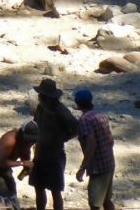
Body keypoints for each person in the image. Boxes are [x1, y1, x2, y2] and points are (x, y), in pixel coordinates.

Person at [30, 78, 79, 210]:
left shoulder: (60, 111)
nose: (39, 97)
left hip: (55, 156)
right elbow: (35, 124)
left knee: (55, 190)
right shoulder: (41, 108)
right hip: (40, 153)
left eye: (41, 95)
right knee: (38, 187)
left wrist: (64, 138)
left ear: (47, 97)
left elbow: (76, 127)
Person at [74, 89, 116, 210]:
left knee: (95, 204)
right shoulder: (101, 115)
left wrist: (82, 168)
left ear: (77, 103)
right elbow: (110, 140)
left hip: (98, 167)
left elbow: (91, 145)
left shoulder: (85, 120)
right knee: (107, 200)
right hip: (109, 162)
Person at [0, 119, 37, 198]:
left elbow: (26, 159)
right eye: (28, 139)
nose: (30, 142)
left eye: (32, 140)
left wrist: (27, 168)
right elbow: (0, 163)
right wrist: (22, 163)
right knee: (2, 195)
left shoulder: (27, 144)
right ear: (21, 134)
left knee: (12, 195)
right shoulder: (10, 140)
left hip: (6, 170)